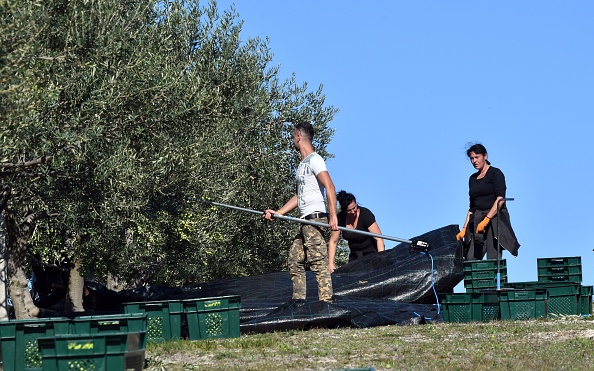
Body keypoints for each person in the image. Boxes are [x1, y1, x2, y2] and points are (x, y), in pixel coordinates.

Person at [263, 121, 338, 303]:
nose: (293, 141)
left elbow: (329, 186)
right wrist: (279, 212)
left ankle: (326, 304)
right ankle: (298, 303)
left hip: (315, 218)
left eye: (293, 137)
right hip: (304, 221)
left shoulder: (315, 159)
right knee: (295, 260)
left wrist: (333, 215)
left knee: (318, 261)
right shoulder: (302, 165)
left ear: (298, 136)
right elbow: (299, 196)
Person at [455, 143, 520, 260]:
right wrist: (464, 229)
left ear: (485, 156)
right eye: (471, 158)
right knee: (471, 258)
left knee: (493, 256)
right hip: (477, 220)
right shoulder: (472, 179)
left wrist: (487, 219)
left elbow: (500, 199)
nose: (474, 161)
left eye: (477, 157)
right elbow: (472, 207)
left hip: (494, 219)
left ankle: (495, 277)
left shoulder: (495, 173)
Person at [328, 191, 385, 272]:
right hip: (355, 256)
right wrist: (330, 263)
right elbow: (333, 242)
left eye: (354, 208)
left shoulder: (365, 214)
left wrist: (381, 259)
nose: (353, 212)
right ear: (344, 210)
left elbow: (379, 239)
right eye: (349, 210)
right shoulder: (340, 218)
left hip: (372, 254)